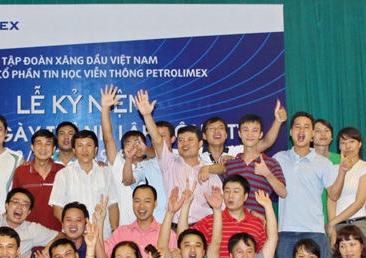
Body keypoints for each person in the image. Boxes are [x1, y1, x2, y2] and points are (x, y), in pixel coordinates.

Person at [0, 135, 61, 256]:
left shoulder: (31, 230)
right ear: (6, 205)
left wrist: (47, 249)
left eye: (25, 204)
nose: (19, 207)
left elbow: (61, 236)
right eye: (15, 202)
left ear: (29, 212)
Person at [136, 90, 222, 224]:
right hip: (174, 228)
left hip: (202, 228)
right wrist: (147, 116)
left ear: (200, 143)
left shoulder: (209, 172)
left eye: (190, 140)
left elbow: (221, 206)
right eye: (181, 140)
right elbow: (158, 141)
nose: (185, 144)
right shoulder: (169, 164)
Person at [273, 112, 340, 258]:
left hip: (314, 231)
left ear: (312, 134)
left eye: (306, 127)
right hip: (286, 231)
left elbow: (334, 195)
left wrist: (342, 172)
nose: (301, 131)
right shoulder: (278, 159)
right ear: (291, 132)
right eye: (297, 126)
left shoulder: (323, 163)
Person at [50, 129, 119, 238]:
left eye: (89, 145)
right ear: (74, 150)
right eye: (80, 145)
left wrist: (115, 232)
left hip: (103, 236)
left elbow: (113, 205)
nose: (84, 150)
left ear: (95, 149)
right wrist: (75, 227)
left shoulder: (106, 172)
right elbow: (57, 208)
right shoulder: (63, 174)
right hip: (75, 238)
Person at [192, 175, 266, 258]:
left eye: (236, 191)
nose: (230, 195)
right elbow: (186, 238)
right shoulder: (210, 221)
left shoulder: (257, 224)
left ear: (245, 196)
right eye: (227, 191)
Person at [219, 113, 287, 216]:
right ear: (239, 134)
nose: (250, 134)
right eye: (245, 130)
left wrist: (267, 174)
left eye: (255, 130)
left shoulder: (271, 163)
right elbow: (220, 195)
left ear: (261, 135)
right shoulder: (229, 165)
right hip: (232, 222)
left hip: (260, 222)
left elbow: (283, 193)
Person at [100, 85, 150, 226]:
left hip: (143, 229)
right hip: (118, 228)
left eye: (137, 142)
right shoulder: (117, 162)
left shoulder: (150, 166)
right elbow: (108, 138)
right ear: (122, 149)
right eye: (129, 143)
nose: (133, 146)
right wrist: (105, 109)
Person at [100, 184, 178, 258]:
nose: (141, 206)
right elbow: (102, 257)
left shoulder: (168, 234)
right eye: (137, 201)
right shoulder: (121, 233)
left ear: (155, 204)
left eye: (147, 201)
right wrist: (99, 222)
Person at [327, 127, 366, 245]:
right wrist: (333, 230)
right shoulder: (334, 169)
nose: (347, 146)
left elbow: (359, 203)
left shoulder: (364, 167)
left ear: (360, 144)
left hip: (357, 224)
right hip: (337, 228)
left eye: (352, 141)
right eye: (343, 142)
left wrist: (332, 222)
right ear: (339, 146)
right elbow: (331, 200)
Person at [12, 129, 64, 231]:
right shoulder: (21, 171)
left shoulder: (62, 171)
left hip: (57, 233)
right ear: (32, 147)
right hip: (26, 232)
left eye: (47, 144)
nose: (43, 148)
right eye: (39, 143)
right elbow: (14, 202)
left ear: (54, 149)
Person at [312, 118, 340, 224]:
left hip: (337, 218)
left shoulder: (341, 160)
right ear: (311, 136)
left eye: (327, 130)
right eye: (318, 130)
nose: (323, 134)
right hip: (312, 219)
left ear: (332, 137)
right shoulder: (305, 160)